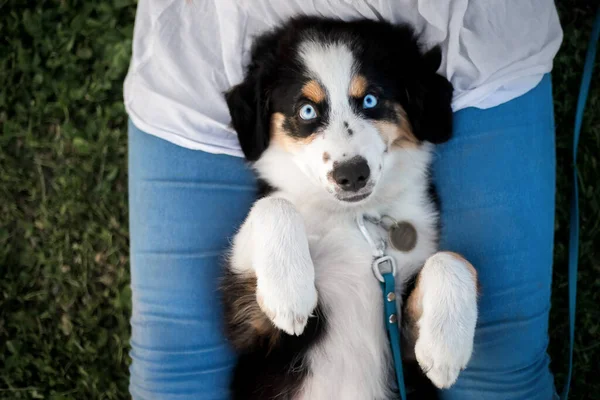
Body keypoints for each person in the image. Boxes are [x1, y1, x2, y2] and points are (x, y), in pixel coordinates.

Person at [124, 1, 563, 399]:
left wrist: (451, 284)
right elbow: (251, 328)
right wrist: (274, 223)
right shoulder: (280, 218)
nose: (347, 154)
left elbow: (414, 348)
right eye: (308, 112)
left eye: (369, 102)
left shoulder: (417, 220)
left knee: (492, 348)